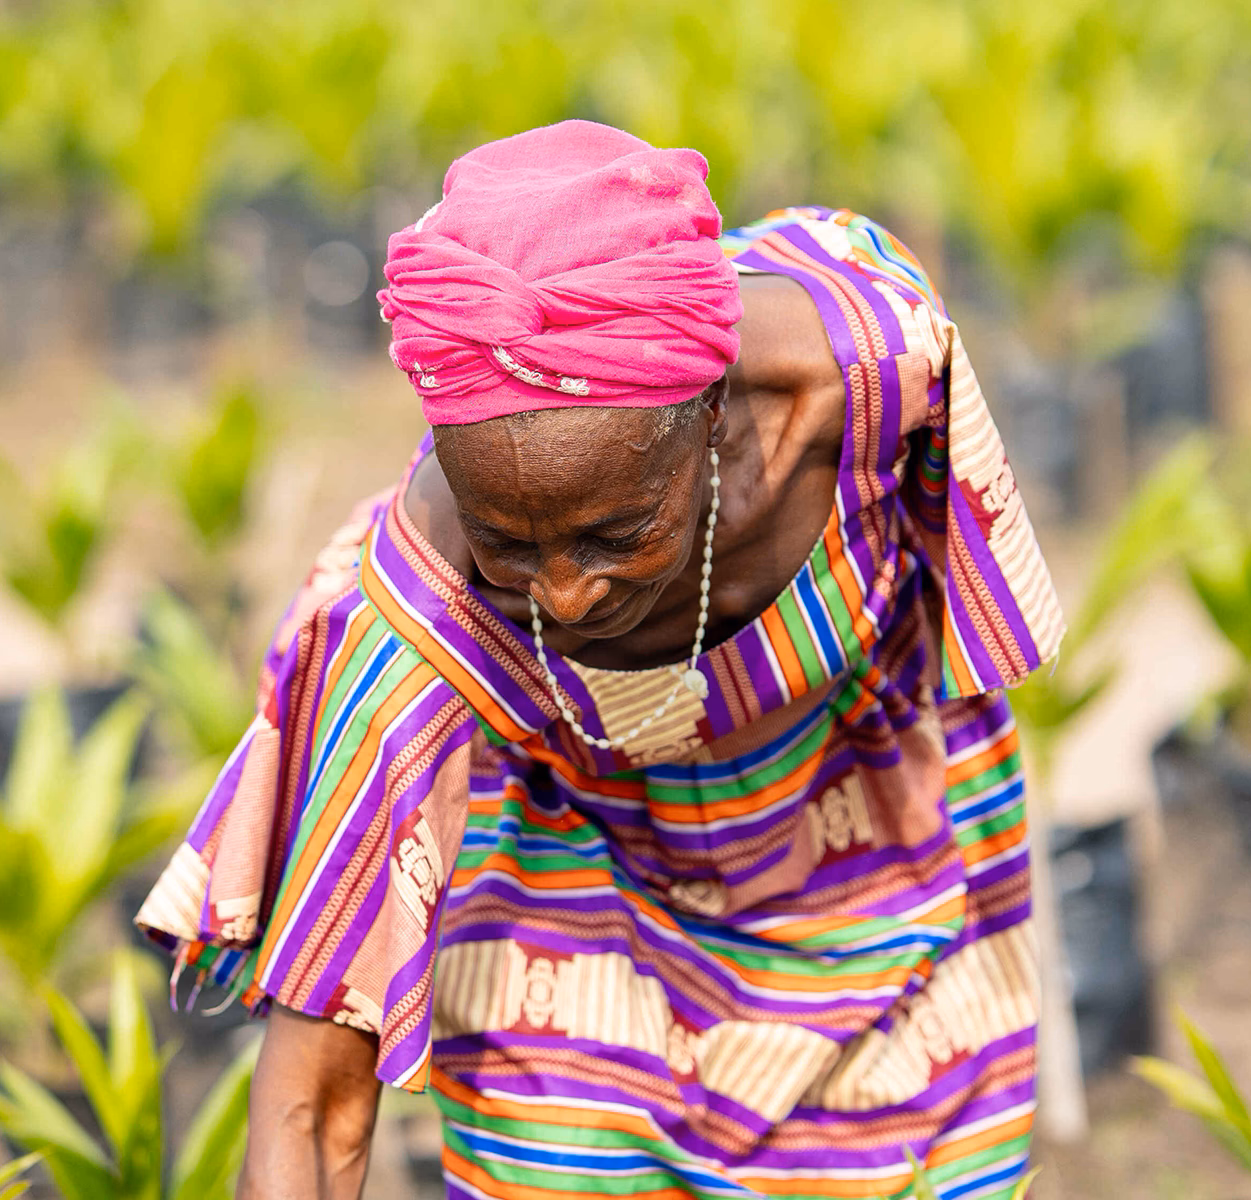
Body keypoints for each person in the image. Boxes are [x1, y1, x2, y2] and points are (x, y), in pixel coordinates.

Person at [136, 119, 1065, 1200]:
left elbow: (974, 629)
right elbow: (315, 1106)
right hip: (578, 901)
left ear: (714, 408)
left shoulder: (867, 376)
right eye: (512, 545)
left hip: (864, 859)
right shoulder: (412, 611)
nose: (566, 597)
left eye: (616, 536)